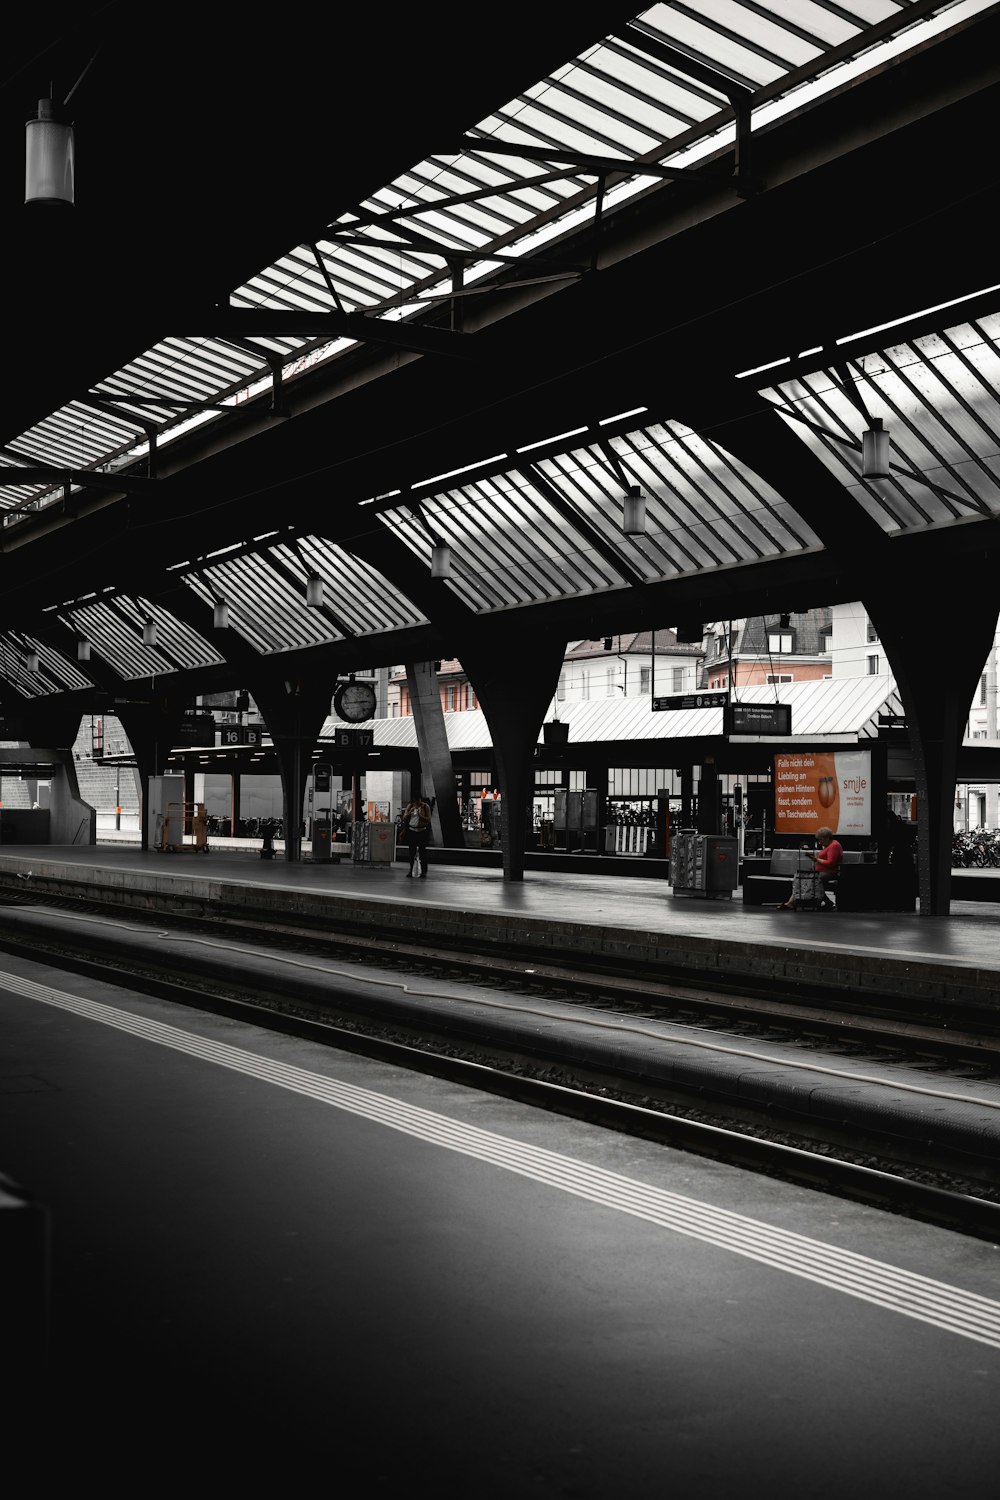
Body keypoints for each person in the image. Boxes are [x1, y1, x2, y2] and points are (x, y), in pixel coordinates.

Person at [777, 825, 842, 910]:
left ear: (826, 838)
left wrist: (816, 859)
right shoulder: (828, 845)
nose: (819, 842)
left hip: (830, 872)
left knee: (813, 880)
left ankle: (827, 902)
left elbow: (831, 863)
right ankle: (791, 902)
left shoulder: (834, 846)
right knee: (801, 878)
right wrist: (814, 859)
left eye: (820, 839)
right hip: (820, 871)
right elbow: (822, 860)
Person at [401, 796, 432, 877]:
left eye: (418, 802)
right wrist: (410, 811)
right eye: (415, 802)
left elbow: (428, 819)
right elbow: (404, 817)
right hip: (412, 831)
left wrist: (420, 815)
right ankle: (411, 870)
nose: (416, 804)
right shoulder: (410, 806)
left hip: (422, 831)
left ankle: (423, 872)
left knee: (423, 852)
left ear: (420, 800)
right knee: (411, 852)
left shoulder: (425, 807)